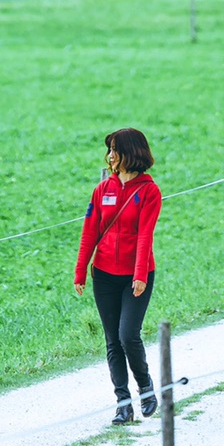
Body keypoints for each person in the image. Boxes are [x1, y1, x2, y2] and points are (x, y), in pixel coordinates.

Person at [74, 126, 162, 425]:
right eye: (109, 150)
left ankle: (146, 389)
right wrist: (81, 270)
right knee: (113, 341)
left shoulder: (149, 191)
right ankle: (123, 404)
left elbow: (144, 236)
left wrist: (139, 274)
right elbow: (90, 232)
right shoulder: (102, 190)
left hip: (137, 276)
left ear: (130, 153)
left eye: (115, 149)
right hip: (104, 275)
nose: (110, 155)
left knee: (128, 336)